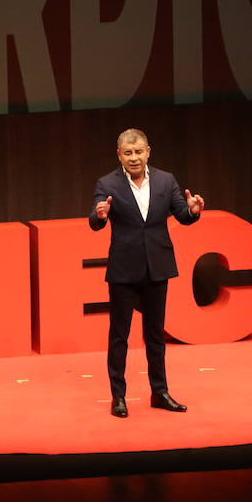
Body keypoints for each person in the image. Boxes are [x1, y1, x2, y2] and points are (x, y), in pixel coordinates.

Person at [88, 128, 205, 418]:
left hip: (157, 266)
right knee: (119, 336)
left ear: (148, 151)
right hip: (123, 270)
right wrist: (99, 215)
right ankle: (119, 397)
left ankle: (160, 392)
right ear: (119, 155)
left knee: (155, 335)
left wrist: (192, 211)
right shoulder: (107, 183)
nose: (134, 158)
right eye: (128, 153)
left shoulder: (166, 180)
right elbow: (95, 220)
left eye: (139, 151)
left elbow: (181, 214)